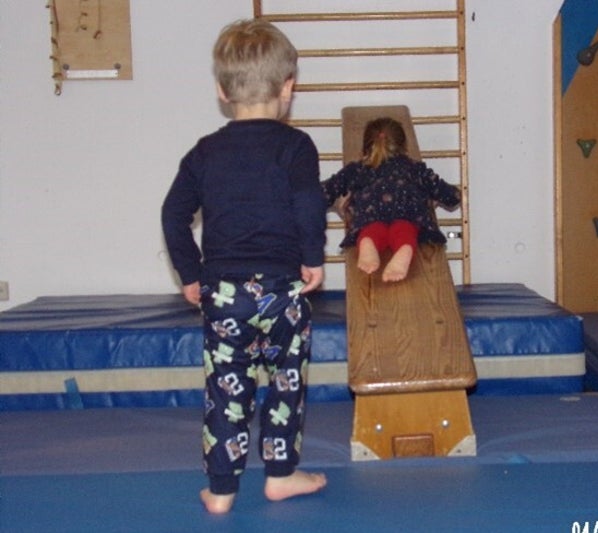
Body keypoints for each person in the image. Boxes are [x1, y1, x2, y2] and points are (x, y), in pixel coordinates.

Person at [161, 18, 328, 514]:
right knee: (285, 381)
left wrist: (190, 273)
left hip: (225, 293)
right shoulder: (296, 147)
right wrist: (313, 258)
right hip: (282, 289)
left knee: (225, 388)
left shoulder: (205, 152)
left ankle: (221, 489)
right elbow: (308, 205)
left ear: (221, 89)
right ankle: (280, 475)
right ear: (288, 88)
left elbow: (173, 214)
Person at [322, 117, 461, 282]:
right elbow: (450, 196)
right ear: (404, 148)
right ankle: (405, 248)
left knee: (370, 228)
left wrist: (337, 202)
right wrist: (444, 196)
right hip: (408, 212)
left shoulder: (355, 170)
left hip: (370, 214)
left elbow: (323, 193)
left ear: (364, 149)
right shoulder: (415, 169)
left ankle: (367, 242)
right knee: (405, 228)